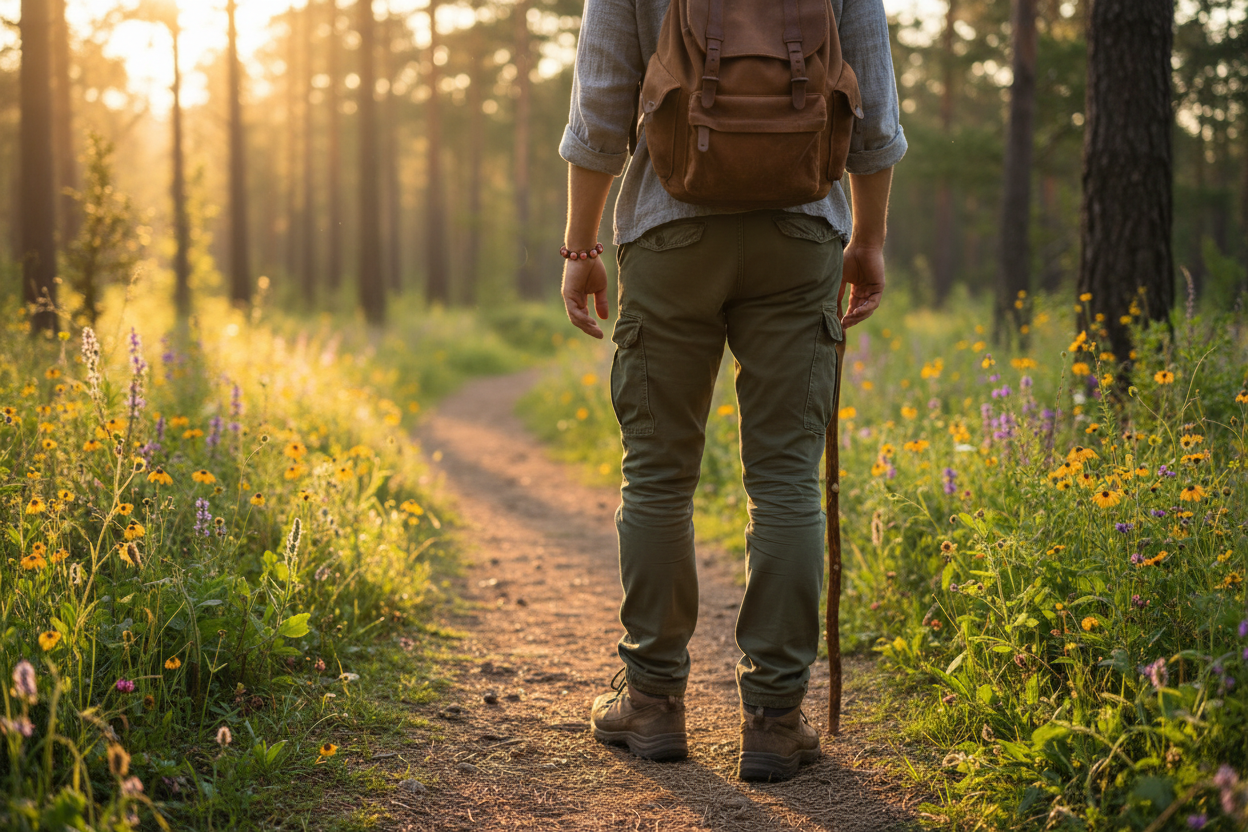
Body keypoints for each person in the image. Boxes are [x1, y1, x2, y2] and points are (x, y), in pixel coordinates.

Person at [558, 0, 907, 782]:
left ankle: (651, 701)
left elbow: (599, 110)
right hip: (800, 231)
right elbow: (876, 117)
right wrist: (869, 239)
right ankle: (776, 719)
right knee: (785, 479)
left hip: (666, 230)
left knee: (657, 474)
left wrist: (581, 246)